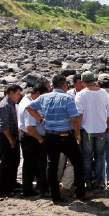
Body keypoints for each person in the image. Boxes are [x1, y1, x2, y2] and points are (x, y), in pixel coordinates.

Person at [27, 74, 91, 204]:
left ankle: (55, 196)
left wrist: (41, 119)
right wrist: (77, 134)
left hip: (50, 135)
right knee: (77, 162)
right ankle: (80, 193)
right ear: (64, 85)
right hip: (65, 135)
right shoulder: (67, 98)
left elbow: (29, 107)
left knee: (52, 165)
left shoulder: (44, 97)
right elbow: (74, 119)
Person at [75, 71, 109, 189]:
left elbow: (79, 115)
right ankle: (98, 180)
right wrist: (107, 126)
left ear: (83, 81)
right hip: (101, 129)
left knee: (87, 156)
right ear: (94, 80)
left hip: (87, 130)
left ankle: (87, 180)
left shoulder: (80, 95)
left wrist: (77, 132)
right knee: (99, 155)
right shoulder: (103, 93)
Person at [17, 83, 50, 197]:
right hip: (32, 138)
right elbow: (30, 127)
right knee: (39, 165)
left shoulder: (24, 100)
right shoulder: (30, 105)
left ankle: (29, 188)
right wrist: (40, 139)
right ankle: (39, 189)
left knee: (29, 164)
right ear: (37, 94)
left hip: (27, 137)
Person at [0, 84, 23, 197]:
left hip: (12, 135)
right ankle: (1, 189)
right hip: (5, 137)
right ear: (11, 93)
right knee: (5, 163)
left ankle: (11, 183)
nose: (19, 97)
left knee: (14, 161)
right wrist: (11, 140)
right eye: (17, 94)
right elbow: (4, 126)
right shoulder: (4, 105)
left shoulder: (12, 104)